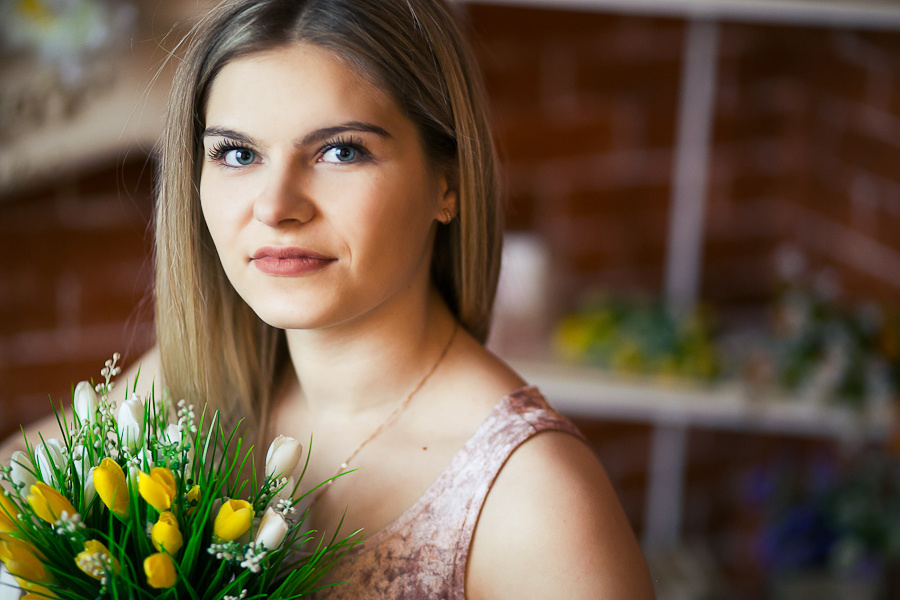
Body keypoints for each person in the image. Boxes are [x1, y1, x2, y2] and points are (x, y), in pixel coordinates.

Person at [2, 0, 655, 597]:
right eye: (236, 153)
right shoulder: (188, 384)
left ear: (447, 183)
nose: (276, 206)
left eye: (341, 151)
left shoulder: (531, 497)